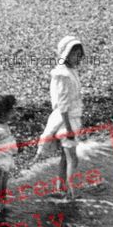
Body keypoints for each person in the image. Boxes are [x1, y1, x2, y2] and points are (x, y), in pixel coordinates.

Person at [35, 36, 85, 201]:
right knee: (72, 158)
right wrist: (70, 129)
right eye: (74, 54)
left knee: (66, 156)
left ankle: (61, 187)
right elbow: (62, 105)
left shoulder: (69, 71)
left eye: (79, 54)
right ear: (66, 54)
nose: (77, 57)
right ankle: (70, 192)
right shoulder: (63, 74)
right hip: (66, 121)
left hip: (71, 119)